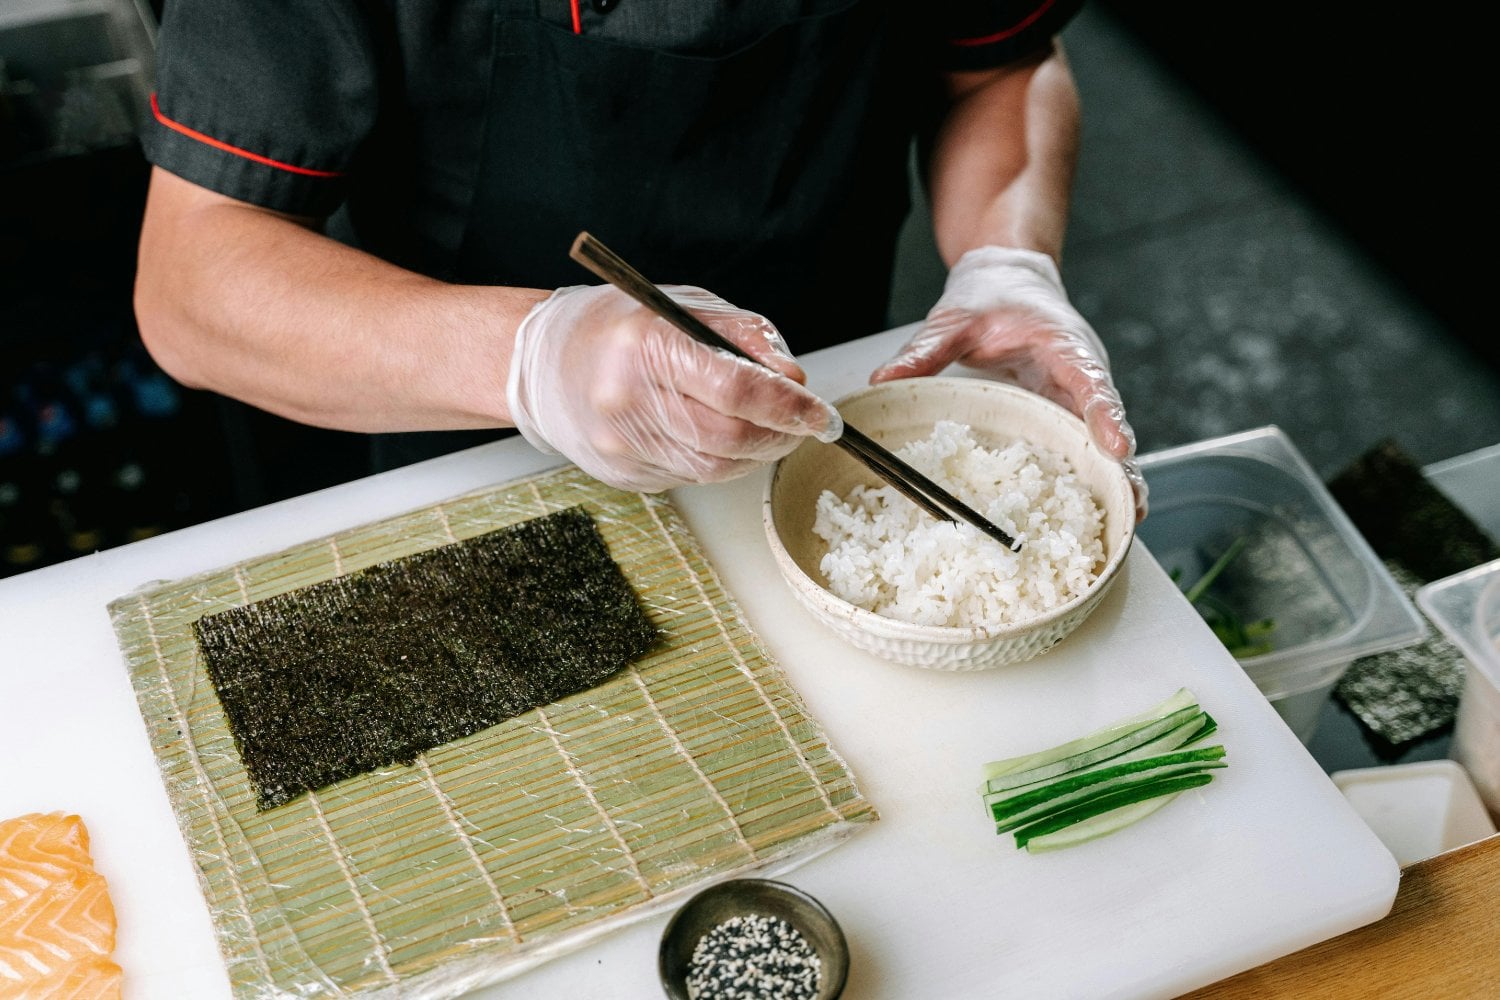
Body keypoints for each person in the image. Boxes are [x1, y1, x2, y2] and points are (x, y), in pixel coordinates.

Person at [133, 0, 1145, 515]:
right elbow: (193, 280)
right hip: (473, 428)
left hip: (835, 403)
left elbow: (999, 64)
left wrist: (1006, 261)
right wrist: (538, 357)